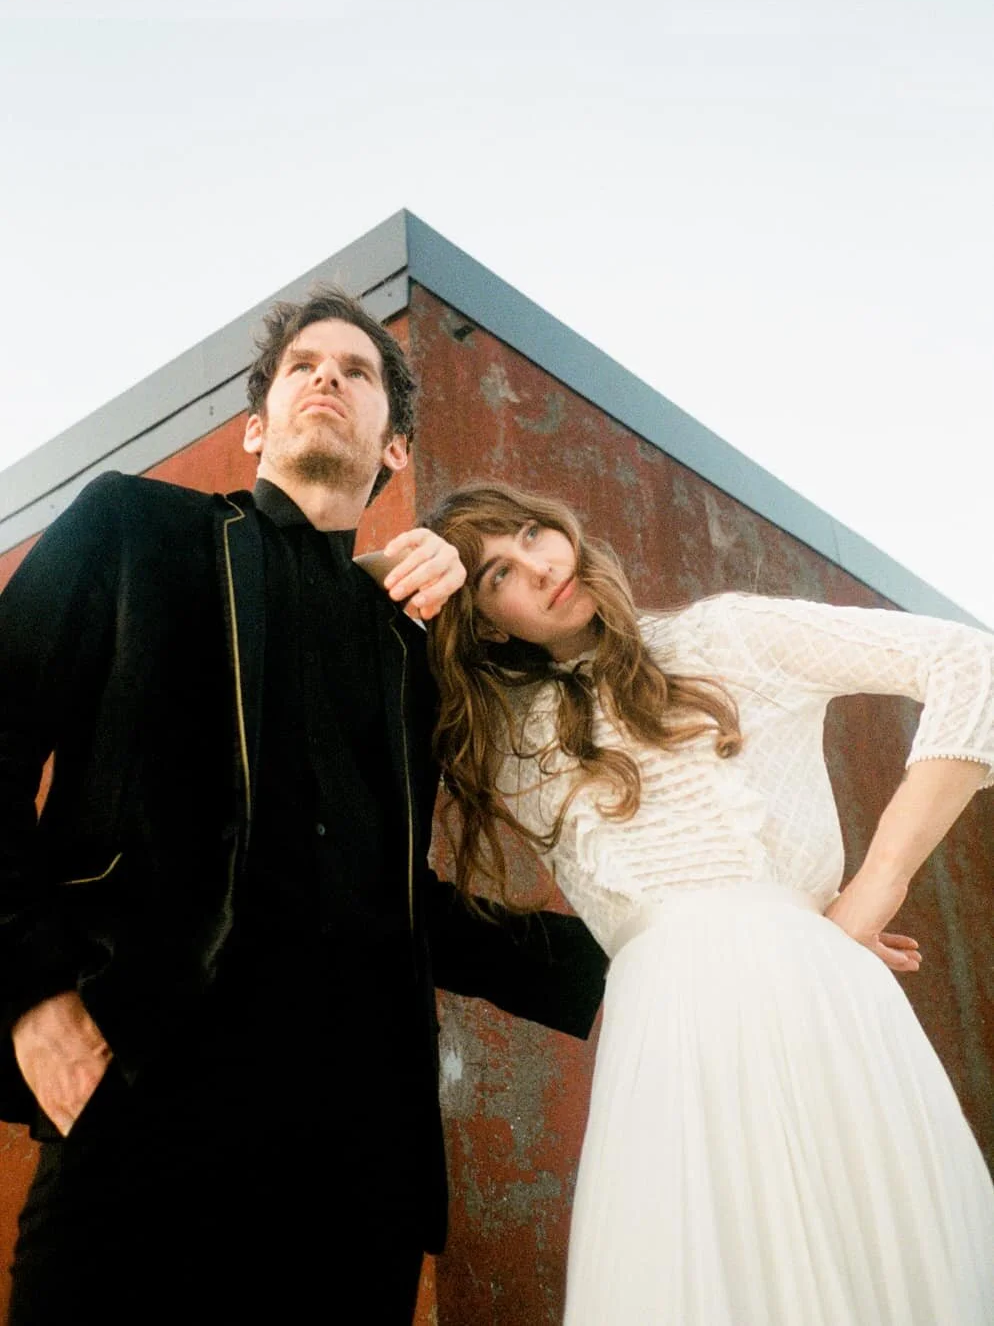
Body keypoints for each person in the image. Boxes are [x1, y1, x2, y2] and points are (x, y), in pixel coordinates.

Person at [0, 296, 607, 1325]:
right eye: (303, 366)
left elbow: (398, 900)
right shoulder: (134, 531)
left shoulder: (411, 646)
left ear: (394, 447)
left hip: (355, 1171)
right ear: (256, 426)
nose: (328, 376)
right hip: (140, 1109)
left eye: (358, 371)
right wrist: (32, 1000)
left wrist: (657, 950)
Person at [426, 481, 994, 1326]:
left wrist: (876, 886)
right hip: (660, 1031)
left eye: (534, 534)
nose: (539, 567)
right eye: (497, 574)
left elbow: (971, 664)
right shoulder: (495, 736)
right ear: (484, 623)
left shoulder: (724, 635)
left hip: (811, 995)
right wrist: (402, 574)